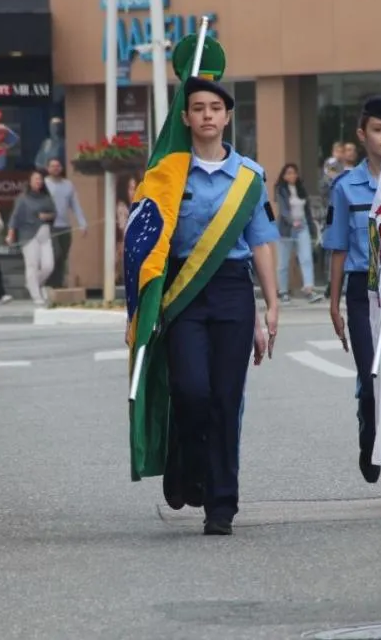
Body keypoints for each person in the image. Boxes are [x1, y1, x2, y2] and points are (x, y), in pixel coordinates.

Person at [160, 75, 280, 536]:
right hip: (185, 292)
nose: (207, 115)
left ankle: (221, 502)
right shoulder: (168, 174)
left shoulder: (250, 177)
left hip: (232, 290)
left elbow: (262, 243)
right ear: (186, 117)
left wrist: (270, 304)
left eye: (215, 107)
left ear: (228, 116)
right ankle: (187, 463)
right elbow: (148, 244)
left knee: (227, 399)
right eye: (198, 107)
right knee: (191, 391)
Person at [324, 96, 381, 505]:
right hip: (362, 290)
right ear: (363, 135)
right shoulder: (346, 187)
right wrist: (334, 301)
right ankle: (368, 425)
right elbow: (338, 247)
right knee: (372, 377)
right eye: (379, 130)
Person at [6, 171, 57, 305]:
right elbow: (15, 216)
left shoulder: (46, 197)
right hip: (28, 235)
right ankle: (36, 295)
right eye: (35, 179)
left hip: (45, 234)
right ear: (30, 181)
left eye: (40, 179)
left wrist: (47, 216)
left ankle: (32, 283)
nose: (38, 181)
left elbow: (54, 213)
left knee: (48, 265)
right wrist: (11, 233)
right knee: (32, 265)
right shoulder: (23, 198)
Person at [274, 164, 322, 304]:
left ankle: (308, 289)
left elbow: (307, 210)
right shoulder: (281, 190)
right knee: (283, 262)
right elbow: (283, 211)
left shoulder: (301, 190)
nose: (292, 176)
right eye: (288, 173)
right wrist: (291, 222)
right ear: (283, 176)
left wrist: (311, 226)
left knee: (306, 258)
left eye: (294, 173)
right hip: (286, 229)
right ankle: (283, 292)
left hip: (303, 226)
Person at [43, 158, 87, 289]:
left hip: (65, 226)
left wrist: (82, 223)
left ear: (61, 168)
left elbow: (75, 205)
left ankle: (58, 285)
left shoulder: (68, 185)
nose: (55, 168)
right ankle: (48, 283)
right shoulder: (44, 184)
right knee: (54, 255)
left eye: (58, 166)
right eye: (52, 166)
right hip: (48, 226)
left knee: (62, 256)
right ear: (48, 168)